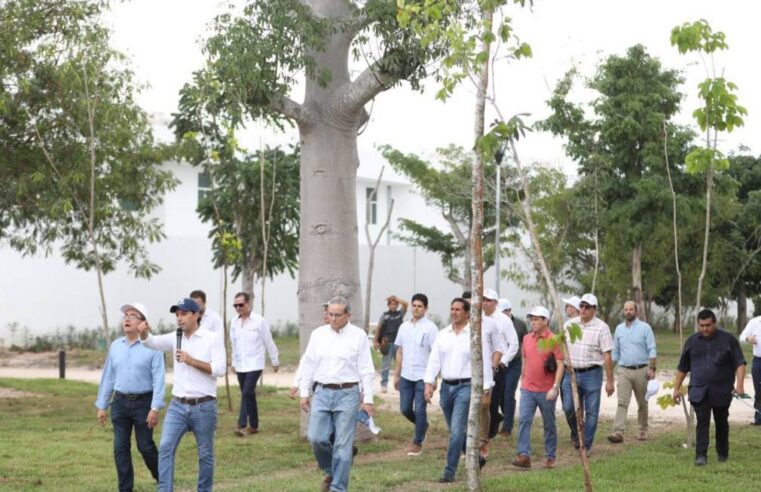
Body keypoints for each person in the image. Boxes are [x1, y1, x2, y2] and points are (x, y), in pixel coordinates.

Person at [138, 297, 226, 492]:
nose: (179, 318)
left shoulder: (211, 338)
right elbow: (151, 342)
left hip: (204, 405)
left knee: (205, 455)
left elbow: (220, 369)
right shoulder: (175, 337)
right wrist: (144, 333)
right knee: (166, 448)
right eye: (177, 315)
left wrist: (192, 361)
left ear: (196, 315)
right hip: (177, 405)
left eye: (184, 314)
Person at [297, 296, 375, 492]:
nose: (333, 318)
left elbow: (366, 369)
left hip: (347, 393)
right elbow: (308, 365)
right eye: (330, 314)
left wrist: (368, 400)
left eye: (337, 315)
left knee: (342, 445)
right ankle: (332, 470)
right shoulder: (318, 335)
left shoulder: (358, 336)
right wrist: (304, 393)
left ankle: (338, 488)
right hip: (321, 392)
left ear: (348, 314)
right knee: (316, 437)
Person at [95, 302, 164, 492]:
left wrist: (155, 407)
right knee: (120, 449)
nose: (127, 318)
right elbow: (108, 376)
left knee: (145, 447)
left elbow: (159, 379)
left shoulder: (153, 346)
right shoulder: (116, 346)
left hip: (144, 404)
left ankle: (164, 482)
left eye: (133, 315)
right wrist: (102, 405)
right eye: (126, 315)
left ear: (143, 323)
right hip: (120, 403)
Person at [424, 298, 494, 483]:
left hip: (466, 387)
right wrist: (429, 382)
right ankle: (477, 458)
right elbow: (434, 360)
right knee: (457, 432)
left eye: (458, 309)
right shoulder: (443, 334)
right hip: (446, 388)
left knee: (456, 431)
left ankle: (449, 471)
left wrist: (487, 389)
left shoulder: (475, 335)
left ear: (466, 313)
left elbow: (485, 361)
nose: (454, 312)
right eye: (452, 309)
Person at [673, 309, 746, 466]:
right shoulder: (691, 341)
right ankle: (700, 455)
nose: (705, 329)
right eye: (702, 325)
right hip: (699, 390)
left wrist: (740, 386)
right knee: (702, 421)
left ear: (715, 323)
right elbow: (682, 368)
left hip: (722, 389)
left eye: (708, 325)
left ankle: (722, 452)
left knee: (721, 421)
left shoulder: (728, 339)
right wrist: (676, 389)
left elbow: (740, 363)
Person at [560, 293, 614, 454]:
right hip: (571, 373)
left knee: (591, 411)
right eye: (581, 306)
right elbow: (562, 346)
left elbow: (607, 355)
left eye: (587, 307)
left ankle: (586, 445)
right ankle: (577, 434)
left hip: (592, 373)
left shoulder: (602, 327)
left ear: (594, 309)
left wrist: (610, 381)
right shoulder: (569, 324)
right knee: (568, 407)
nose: (583, 309)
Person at [511, 306, 564, 469]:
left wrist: (555, 387)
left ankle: (550, 456)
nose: (532, 322)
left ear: (545, 321)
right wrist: (523, 381)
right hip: (527, 388)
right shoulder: (526, 338)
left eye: (536, 319)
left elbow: (561, 364)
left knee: (549, 424)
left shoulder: (554, 339)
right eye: (531, 319)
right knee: (524, 421)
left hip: (546, 390)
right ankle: (524, 455)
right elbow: (525, 361)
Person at [393, 293, 439, 456]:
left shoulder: (431, 328)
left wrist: (434, 379)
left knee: (420, 409)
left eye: (420, 306)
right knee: (405, 409)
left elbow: (436, 354)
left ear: (425, 309)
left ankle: (417, 442)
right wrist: (396, 375)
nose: (416, 308)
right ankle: (423, 425)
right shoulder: (404, 327)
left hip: (423, 376)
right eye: (414, 305)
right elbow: (400, 351)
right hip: (406, 375)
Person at [230, 291, 279, 436]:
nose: (238, 307)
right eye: (235, 305)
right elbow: (234, 344)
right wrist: (233, 362)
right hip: (240, 365)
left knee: (246, 392)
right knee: (248, 395)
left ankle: (242, 425)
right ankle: (255, 426)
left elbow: (268, 341)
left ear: (248, 304)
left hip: (255, 364)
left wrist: (274, 360)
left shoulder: (259, 321)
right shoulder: (234, 322)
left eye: (241, 304)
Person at [608, 301, 657, 443]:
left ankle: (642, 429)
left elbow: (652, 349)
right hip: (623, 371)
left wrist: (652, 369)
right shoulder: (618, 329)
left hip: (642, 370)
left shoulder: (645, 328)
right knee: (622, 402)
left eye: (631, 309)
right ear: (623, 311)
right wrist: (609, 368)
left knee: (642, 402)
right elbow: (616, 352)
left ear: (636, 311)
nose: (628, 312)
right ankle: (618, 432)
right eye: (626, 309)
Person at [482, 290, 519, 444]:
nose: (485, 302)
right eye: (483, 299)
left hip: (498, 366)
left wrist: (503, 361)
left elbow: (514, 344)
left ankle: (489, 433)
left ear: (496, 303)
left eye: (489, 300)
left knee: (494, 399)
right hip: (482, 365)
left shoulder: (504, 320)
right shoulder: (478, 318)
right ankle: (489, 426)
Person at [497, 297, 528, 438]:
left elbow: (526, 343)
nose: (504, 314)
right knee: (500, 394)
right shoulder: (495, 322)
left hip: (514, 363)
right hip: (498, 363)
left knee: (509, 393)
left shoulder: (520, 325)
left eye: (506, 311)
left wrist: (526, 364)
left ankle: (507, 427)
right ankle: (504, 416)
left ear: (510, 311)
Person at [374, 295, 409, 393]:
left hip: (399, 344)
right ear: (388, 305)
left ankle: (401, 384)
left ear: (397, 305)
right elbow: (378, 328)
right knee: (385, 366)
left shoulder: (400, 314)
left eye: (395, 304)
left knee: (400, 365)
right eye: (391, 304)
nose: (393, 306)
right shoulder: (385, 315)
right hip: (387, 343)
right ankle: (384, 385)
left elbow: (406, 305)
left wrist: (396, 298)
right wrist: (375, 341)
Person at [739, 315, 761, 425]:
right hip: (758, 360)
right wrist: (749, 338)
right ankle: (759, 418)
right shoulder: (755, 322)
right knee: (759, 389)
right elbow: (742, 338)